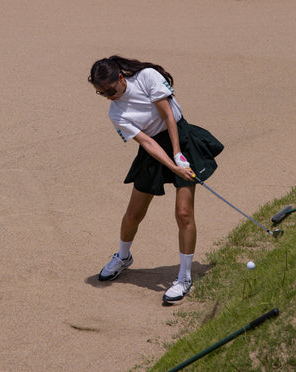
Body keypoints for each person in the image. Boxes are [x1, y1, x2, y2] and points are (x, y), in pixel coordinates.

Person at [88, 55, 224, 303]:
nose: (109, 96)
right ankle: (123, 256)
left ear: (120, 77)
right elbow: (148, 142)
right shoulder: (115, 113)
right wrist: (173, 166)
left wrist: (178, 155)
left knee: (183, 213)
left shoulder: (147, 77)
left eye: (110, 90)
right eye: (102, 93)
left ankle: (184, 277)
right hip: (154, 152)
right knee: (133, 213)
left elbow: (168, 116)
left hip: (179, 137)